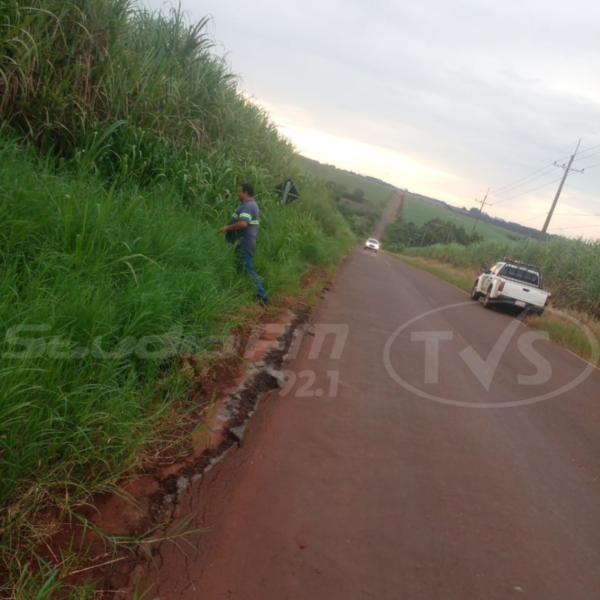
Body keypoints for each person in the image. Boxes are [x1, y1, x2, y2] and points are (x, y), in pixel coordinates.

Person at [220, 183, 269, 303]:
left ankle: (262, 296)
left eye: (239, 191)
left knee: (247, 269)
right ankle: (242, 292)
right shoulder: (247, 205)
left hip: (244, 243)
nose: (238, 193)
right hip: (240, 243)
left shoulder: (249, 206)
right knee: (240, 268)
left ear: (245, 193)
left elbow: (243, 223)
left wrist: (227, 228)